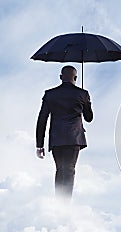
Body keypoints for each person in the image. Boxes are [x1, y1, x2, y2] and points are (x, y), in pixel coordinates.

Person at [36, 65, 93, 198]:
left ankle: (59, 203)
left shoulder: (50, 94)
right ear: (76, 78)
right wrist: (87, 102)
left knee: (60, 170)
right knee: (69, 169)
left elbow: (42, 120)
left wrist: (40, 145)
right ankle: (65, 205)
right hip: (74, 139)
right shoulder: (82, 94)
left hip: (57, 139)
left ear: (61, 77)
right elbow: (89, 118)